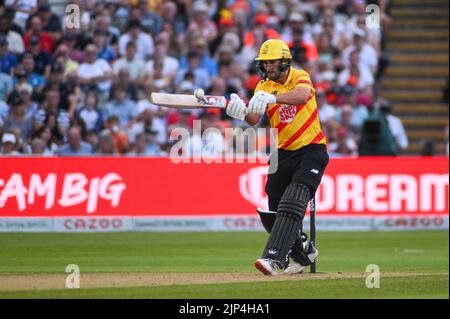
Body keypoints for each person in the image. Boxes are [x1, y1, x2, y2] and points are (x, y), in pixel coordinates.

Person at [226, 39, 329, 275]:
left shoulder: (299, 76)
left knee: (293, 199)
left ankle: (274, 259)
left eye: (272, 62)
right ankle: (304, 251)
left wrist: (274, 98)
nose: (268, 67)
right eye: (264, 63)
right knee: (272, 213)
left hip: (311, 149)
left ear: (284, 61)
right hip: (281, 152)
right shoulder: (262, 86)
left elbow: (302, 96)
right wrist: (240, 111)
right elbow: (254, 118)